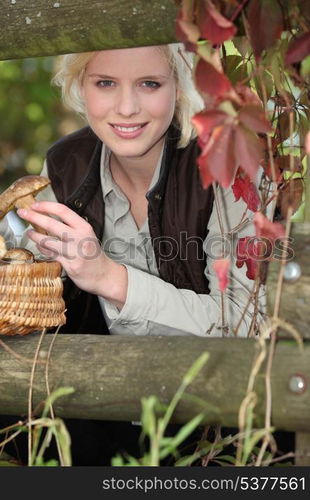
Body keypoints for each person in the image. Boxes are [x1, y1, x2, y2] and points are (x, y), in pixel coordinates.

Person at [0, 43, 265, 465]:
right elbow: (32, 302)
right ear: (80, 87)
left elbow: (252, 322)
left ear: (179, 88)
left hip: (215, 417)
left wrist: (111, 279)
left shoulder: (226, 163)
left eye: (149, 83)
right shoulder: (65, 164)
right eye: (105, 83)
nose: (126, 107)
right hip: (101, 416)